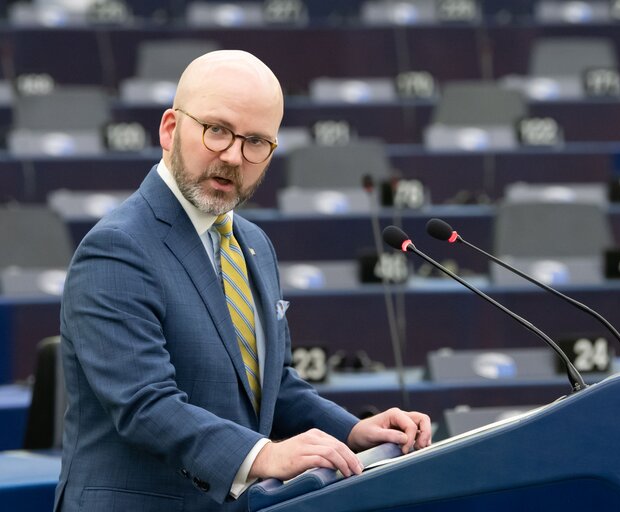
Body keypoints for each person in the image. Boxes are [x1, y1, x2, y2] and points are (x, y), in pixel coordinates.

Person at [55, 50, 431, 512]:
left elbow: (272, 385)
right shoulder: (117, 247)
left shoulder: (252, 243)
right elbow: (144, 406)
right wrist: (265, 454)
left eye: (256, 141)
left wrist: (353, 431)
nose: (233, 156)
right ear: (171, 129)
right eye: (216, 130)